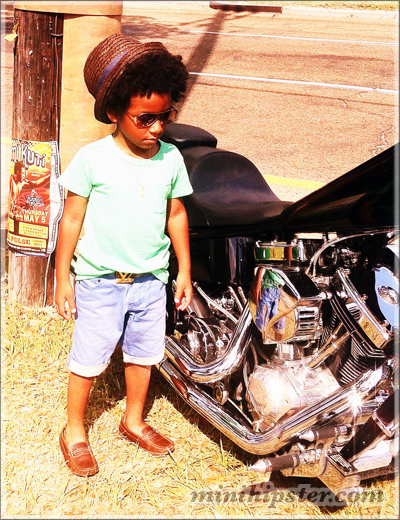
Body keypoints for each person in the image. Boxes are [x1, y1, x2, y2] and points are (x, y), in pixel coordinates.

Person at [55, 34, 193, 477]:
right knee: (89, 359)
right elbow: (71, 219)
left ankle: (133, 420)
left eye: (165, 116)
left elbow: (176, 214)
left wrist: (184, 270)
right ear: (115, 112)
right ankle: (74, 430)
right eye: (145, 118)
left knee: (143, 355)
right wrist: (62, 278)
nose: (157, 128)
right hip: (100, 282)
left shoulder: (170, 159)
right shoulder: (92, 159)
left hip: (151, 280)